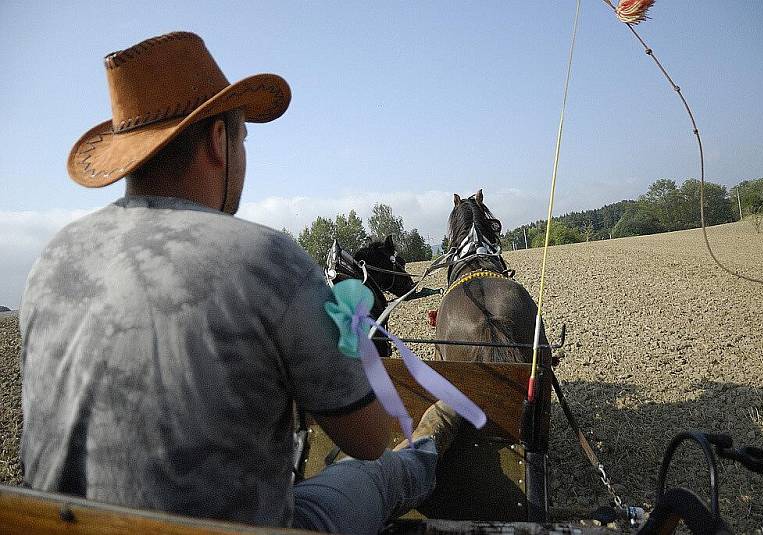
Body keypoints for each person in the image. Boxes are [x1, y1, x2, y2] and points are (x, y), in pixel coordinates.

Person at [19, 31, 461, 535]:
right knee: (380, 473)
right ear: (216, 143)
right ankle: (431, 444)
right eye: (243, 139)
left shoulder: (53, 259)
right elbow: (368, 437)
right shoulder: (265, 258)